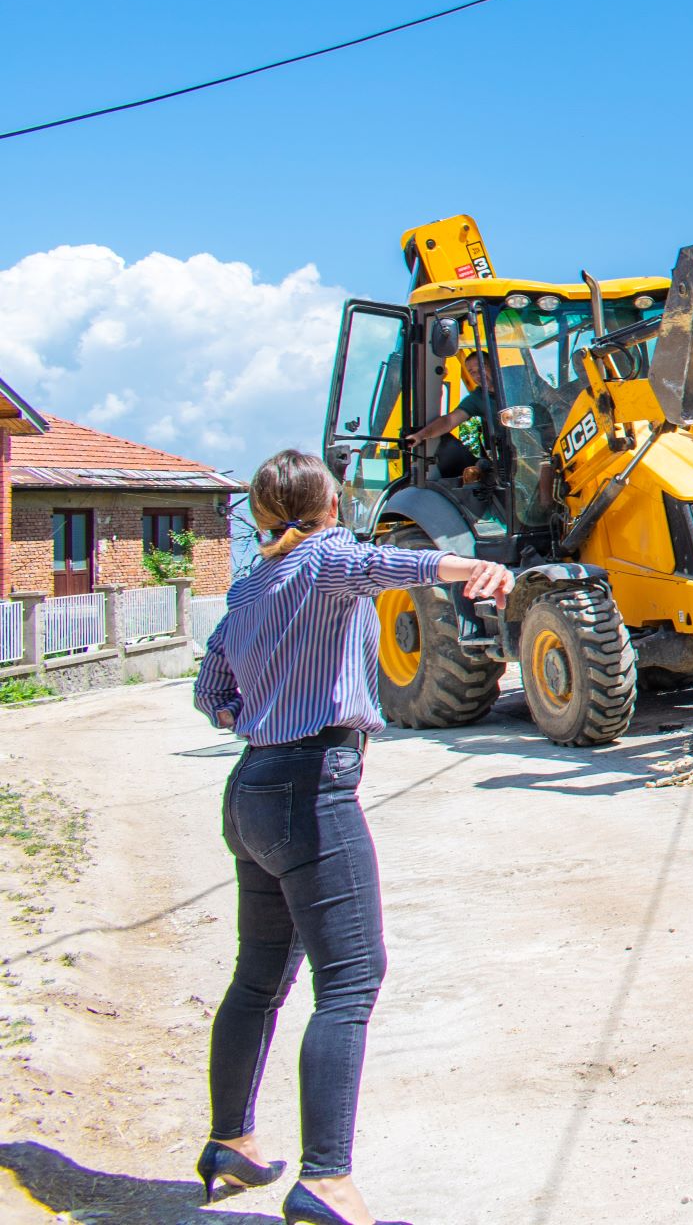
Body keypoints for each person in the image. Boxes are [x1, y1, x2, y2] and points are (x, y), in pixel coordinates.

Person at [193, 450, 516, 1225]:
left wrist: (264, 723)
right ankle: (326, 1181)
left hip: (253, 787)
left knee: (257, 979)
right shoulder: (326, 559)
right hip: (312, 791)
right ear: (329, 507)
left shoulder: (248, 587)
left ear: (262, 516)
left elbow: (211, 694)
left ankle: (229, 1141)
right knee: (349, 980)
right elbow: (384, 564)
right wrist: (472, 567)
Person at [401, 353, 492, 486]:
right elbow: (449, 421)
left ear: (493, 364)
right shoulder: (478, 398)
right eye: (472, 372)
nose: (478, 375)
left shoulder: (517, 384)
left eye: (481, 368)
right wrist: (420, 435)